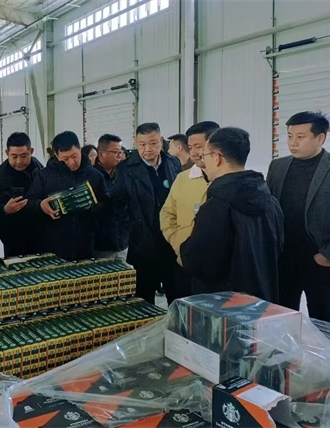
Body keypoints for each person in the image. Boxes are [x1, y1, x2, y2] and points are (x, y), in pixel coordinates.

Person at [180, 127, 284, 303]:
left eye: (204, 155)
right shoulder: (271, 202)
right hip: (261, 301)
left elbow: (200, 263)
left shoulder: (216, 207)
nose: (203, 162)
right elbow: (277, 250)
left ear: (217, 157)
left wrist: (185, 247)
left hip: (224, 305)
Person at [267, 111, 330, 323]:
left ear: (320, 138)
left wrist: (328, 256)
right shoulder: (277, 166)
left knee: (323, 321)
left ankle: (324, 348)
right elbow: (269, 209)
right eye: (289, 136)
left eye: (300, 137)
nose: (292, 143)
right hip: (283, 258)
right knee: (281, 317)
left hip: (319, 261)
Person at [112, 122, 181, 304]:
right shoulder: (125, 169)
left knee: (176, 295)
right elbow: (118, 205)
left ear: (161, 141)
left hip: (171, 241)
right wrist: (133, 229)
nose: (148, 149)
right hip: (143, 242)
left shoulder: (173, 163)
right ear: (136, 143)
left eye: (153, 143)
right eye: (142, 144)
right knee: (144, 298)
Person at [26, 131, 108, 261]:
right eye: (65, 159)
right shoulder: (43, 176)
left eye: (74, 156)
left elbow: (107, 206)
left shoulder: (95, 176)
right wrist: (40, 206)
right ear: (56, 155)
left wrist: (92, 207)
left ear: (80, 149)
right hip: (51, 248)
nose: (71, 162)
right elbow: (28, 205)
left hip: (86, 247)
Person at [160, 121, 219, 300]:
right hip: (184, 262)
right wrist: (178, 243)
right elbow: (167, 214)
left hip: (217, 270)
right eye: (190, 147)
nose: (193, 152)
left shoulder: (226, 181)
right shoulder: (183, 179)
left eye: (198, 147)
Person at [0, 132, 44, 257]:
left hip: (40, 235)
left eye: (24, 156)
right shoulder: (2, 176)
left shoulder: (38, 167)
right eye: (14, 157)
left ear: (31, 151)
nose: (19, 161)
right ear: (7, 153)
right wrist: (5, 210)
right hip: (14, 239)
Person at [93, 134, 129, 262]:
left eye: (120, 152)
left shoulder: (123, 173)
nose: (119, 156)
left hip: (123, 242)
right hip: (101, 245)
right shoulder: (92, 176)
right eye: (115, 152)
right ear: (102, 154)